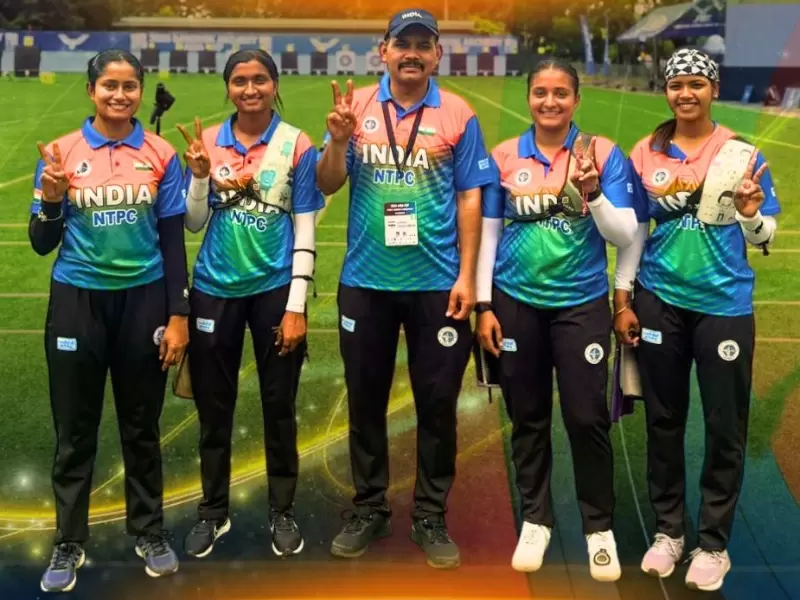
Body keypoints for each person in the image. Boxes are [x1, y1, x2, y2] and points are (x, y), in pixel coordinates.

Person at [316, 8, 494, 569]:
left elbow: (470, 196)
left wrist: (467, 277)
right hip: (365, 283)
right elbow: (327, 183)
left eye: (423, 44)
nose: (412, 53)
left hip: (437, 286)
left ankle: (430, 514)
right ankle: (369, 508)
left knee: (437, 405)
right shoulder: (356, 107)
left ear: (437, 54)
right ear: (384, 51)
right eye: (402, 43)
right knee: (365, 400)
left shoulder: (458, 113)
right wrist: (338, 141)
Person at [613, 48, 781, 592]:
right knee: (663, 421)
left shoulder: (740, 152)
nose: (686, 93)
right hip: (660, 301)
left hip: (723, 307)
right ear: (666, 90)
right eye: (676, 84)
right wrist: (623, 298)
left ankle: (713, 543)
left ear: (713, 89)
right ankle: (669, 533)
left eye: (696, 83)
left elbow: (765, 235)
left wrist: (751, 216)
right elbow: (636, 231)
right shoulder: (647, 151)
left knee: (724, 426)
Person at [30, 49, 188, 593]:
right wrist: (52, 201)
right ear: (91, 90)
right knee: (75, 430)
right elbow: (41, 242)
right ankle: (69, 540)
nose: (120, 95)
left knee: (141, 427)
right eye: (109, 85)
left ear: (140, 91)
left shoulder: (161, 153)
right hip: (78, 302)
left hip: (143, 302)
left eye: (129, 86)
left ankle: (149, 530)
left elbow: (172, 241)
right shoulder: (60, 153)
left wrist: (178, 314)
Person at [475, 58, 637, 581]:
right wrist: (484, 305)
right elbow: (490, 234)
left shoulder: (602, 153)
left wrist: (594, 194)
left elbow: (624, 234)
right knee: (528, 417)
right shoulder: (504, 156)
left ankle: (598, 527)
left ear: (576, 99)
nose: (550, 102)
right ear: (529, 98)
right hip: (515, 303)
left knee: (587, 418)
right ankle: (536, 520)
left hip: (580, 305)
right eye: (541, 92)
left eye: (561, 93)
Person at [180, 49, 324, 559]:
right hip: (214, 289)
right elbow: (193, 222)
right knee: (213, 409)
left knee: (278, 407)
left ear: (274, 84)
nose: (250, 89)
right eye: (239, 80)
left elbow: (305, 226)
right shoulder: (208, 142)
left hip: (275, 290)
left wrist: (296, 305)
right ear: (227, 88)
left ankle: (281, 510)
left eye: (260, 79)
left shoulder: (296, 143)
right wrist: (200, 176)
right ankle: (213, 511)